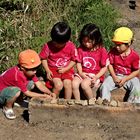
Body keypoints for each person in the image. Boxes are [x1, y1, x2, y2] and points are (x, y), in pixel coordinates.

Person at [0, 49, 56, 120]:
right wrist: (44, 96)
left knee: (32, 83)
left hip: (9, 88)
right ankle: (7, 107)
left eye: (36, 68)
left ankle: (18, 101)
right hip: (1, 93)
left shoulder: (28, 71)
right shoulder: (17, 76)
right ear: (22, 68)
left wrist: (50, 92)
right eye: (32, 69)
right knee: (16, 91)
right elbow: (27, 93)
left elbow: (38, 84)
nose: (35, 71)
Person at [99, 27, 140, 103]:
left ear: (129, 43)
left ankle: (133, 104)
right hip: (116, 75)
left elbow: (137, 71)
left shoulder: (134, 56)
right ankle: (104, 102)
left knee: (137, 87)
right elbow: (110, 64)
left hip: (130, 77)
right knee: (104, 85)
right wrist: (114, 77)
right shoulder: (113, 52)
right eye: (115, 44)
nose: (116, 47)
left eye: (119, 45)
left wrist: (125, 79)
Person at [39, 22, 77, 99]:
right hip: (53, 70)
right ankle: (53, 100)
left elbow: (74, 60)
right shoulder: (48, 46)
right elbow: (43, 58)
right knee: (58, 85)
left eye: (58, 43)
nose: (55, 45)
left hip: (67, 69)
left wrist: (66, 69)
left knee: (68, 83)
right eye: (54, 42)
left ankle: (67, 102)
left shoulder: (71, 46)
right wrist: (47, 70)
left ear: (66, 41)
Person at [72, 23, 109, 100]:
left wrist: (96, 77)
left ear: (96, 40)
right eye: (84, 41)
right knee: (74, 83)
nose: (86, 44)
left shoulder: (101, 51)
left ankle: (92, 100)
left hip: (94, 75)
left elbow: (104, 67)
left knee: (84, 85)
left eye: (89, 42)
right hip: (83, 73)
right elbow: (78, 62)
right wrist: (81, 73)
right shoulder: (81, 49)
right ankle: (77, 101)